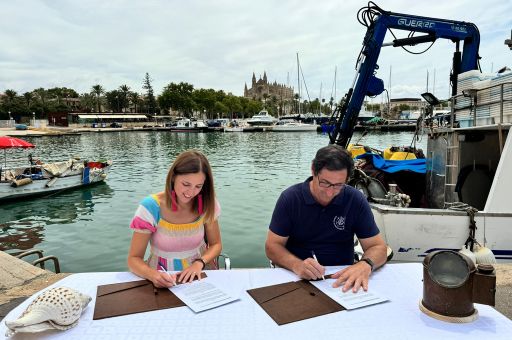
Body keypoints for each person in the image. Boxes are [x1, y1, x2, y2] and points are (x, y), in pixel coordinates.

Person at [265, 144, 387, 292]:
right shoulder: (290, 199)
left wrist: (365, 264)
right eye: (325, 183)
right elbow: (272, 246)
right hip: (297, 277)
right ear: (313, 170)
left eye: (338, 185)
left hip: (343, 279)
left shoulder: (355, 199)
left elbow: (378, 247)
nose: (330, 192)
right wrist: (297, 265)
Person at [128, 150, 222, 287]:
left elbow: (216, 244)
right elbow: (133, 259)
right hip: (162, 279)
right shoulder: (151, 207)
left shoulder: (208, 203)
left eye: (198, 186)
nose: (191, 193)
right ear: (173, 177)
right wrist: (154, 275)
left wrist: (199, 263)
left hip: (201, 274)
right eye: (186, 184)